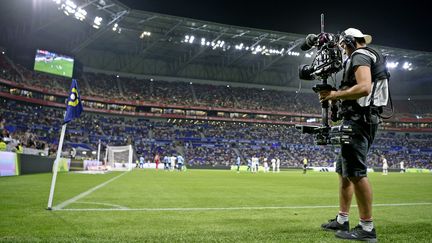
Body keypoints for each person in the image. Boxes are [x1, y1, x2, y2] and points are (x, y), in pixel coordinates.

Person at [319, 28, 389, 242]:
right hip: (359, 119)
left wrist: (335, 95)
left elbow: (365, 87)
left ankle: (367, 228)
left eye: (342, 45)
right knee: (345, 170)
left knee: (356, 173)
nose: (341, 49)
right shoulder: (366, 55)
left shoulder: (359, 55)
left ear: (348, 41)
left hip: (360, 120)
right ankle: (342, 219)